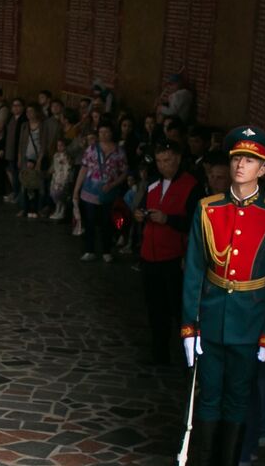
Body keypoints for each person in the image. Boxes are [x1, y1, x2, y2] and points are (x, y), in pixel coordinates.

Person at [175, 126, 265, 466]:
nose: (240, 165)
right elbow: (194, 269)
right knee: (208, 397)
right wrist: (189, 326)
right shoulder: (209, 209)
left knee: (238, 399)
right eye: (236, 158)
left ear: (263, 169)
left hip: (250, 322)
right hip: (211, 318)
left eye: (250, 161)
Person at [134, 143, 198, 364]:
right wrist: (140, 214)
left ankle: (186, 356)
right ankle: (159, 352)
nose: (163, 166)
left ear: (178, 159)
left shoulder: (191, 185)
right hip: (150, 255)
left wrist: (168, 219)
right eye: (160, 161)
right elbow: (141, 205)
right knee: (155, 308)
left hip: (174, 257)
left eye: (167, 160)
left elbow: (194, 222)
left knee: (178, 309)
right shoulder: (153, 182)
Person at [72, 119, 127, 262]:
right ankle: (89, 249)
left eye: (106, 132)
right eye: (101, 132)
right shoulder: (91, 149)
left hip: (108, 192)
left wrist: (113, 184)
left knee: (106, 222)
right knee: (89, 221)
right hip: (89, 191)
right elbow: (83, 168)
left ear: (111, 133)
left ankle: (106, 250)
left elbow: (124, 172)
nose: (103, 134)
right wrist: (76, 189)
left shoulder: (119, 151)